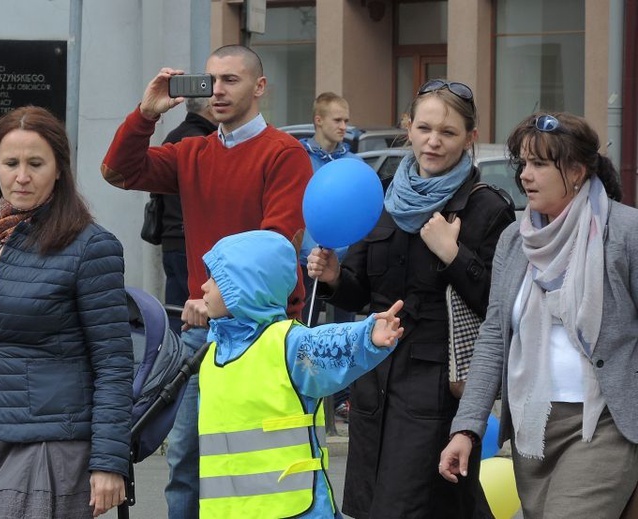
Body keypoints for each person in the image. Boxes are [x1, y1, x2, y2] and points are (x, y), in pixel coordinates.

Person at [101, 45, 312, 518]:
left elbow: (274, 246)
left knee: (263, 462)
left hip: (266, 334)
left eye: (231, 80)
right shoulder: (191, 152)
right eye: (211, 80)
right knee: (186, 459)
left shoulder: (285, 153)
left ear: (259, 87)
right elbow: (118, 171)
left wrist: (219, 300)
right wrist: (145, 114)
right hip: (203, 332)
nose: (217, 90)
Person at [307, 79, 515, 518]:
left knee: (421, 506)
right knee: (369, 505)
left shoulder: (486, 208)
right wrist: (331, 278)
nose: (433, 141)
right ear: (408, 127)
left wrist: (454, 255)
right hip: (374, 380)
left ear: (470, 138)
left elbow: (501, 308)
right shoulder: (383, 195)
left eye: (448, 132)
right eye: (424, 128)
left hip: (438, 388)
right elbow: (360, 288)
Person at [440, 112, 638, 518]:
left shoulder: (624, 233)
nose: (526, 175)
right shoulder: (517, 239)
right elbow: (494, 337)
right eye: (523, 164)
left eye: (540, 164)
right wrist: (466, 428)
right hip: (534, 427)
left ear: (578, 171)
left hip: (605, 424)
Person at [0, 106, 134, 518]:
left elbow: (114, 363)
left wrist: (109, 463)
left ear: (59, 169)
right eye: (10, 163)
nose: (21, 176)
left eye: (36, 164)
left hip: (54, 440)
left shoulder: (91, 246)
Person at [198, 229, 405, 518]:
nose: (203, 287)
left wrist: (367, 335)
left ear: (246, 288)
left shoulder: (288, 344)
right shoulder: (212, 353)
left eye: (216, 279)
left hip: (295, 511)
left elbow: (329, 343)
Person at [298, 92, 363, 421]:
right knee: (304, 329)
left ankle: (343, 399)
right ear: (319, 120)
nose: (344, 127)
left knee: (344, 332)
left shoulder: (353, 165)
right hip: (306, 262)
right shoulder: (298, 157)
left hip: (344, 264)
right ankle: (301, 388)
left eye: (347, 120)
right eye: (337, 120)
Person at [147, 97, 217, 334]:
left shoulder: (174, 136)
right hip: (191, 241)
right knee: (197, 317)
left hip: (171, 238)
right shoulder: (204, 142)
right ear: (209, 107)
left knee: (177, 312)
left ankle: (173, 362)